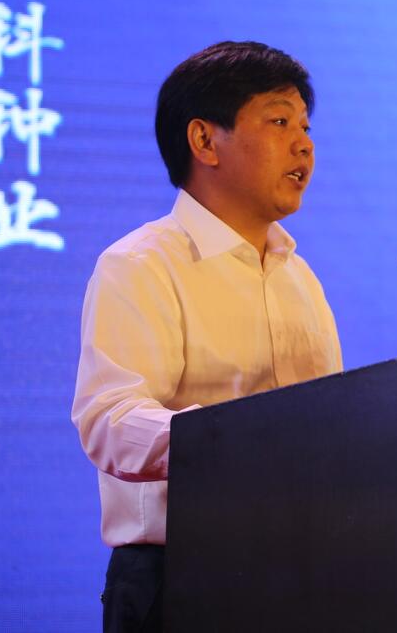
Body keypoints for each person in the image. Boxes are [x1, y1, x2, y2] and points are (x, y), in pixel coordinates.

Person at [71, 41, 342, 633]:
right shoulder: (141, 265)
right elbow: (110, 419)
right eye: (279, 122)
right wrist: (233, 441)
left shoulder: (300, 279)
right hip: (182, 577)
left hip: (301, 570)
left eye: (305, 126)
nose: (304, 145)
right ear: (204, 140)